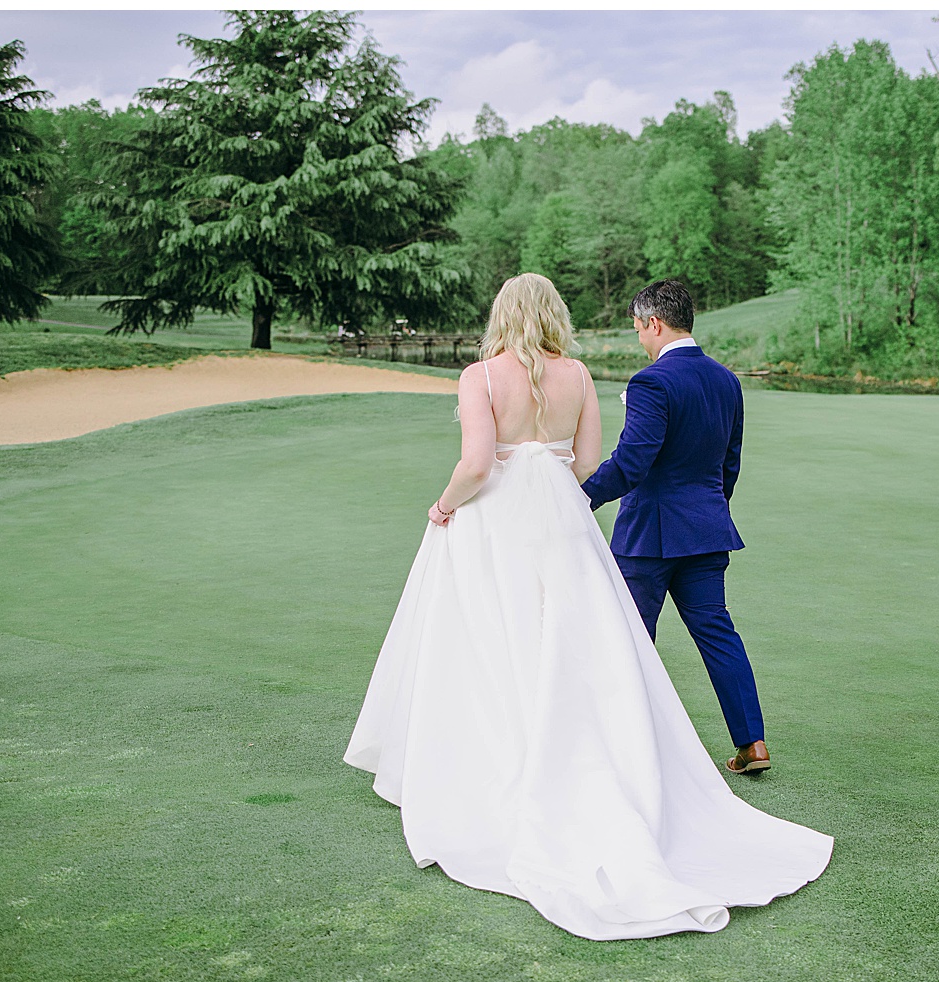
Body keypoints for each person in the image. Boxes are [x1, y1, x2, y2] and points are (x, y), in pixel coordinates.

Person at [345, 273, 831, 941]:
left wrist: (446, 503)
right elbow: (593, 462)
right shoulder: (603, 375)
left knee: (503, 640)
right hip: (630, 526)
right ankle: (741, 740)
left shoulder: (489, 376)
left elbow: (494, 464)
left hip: (533, 526)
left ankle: (506, 761)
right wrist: (561, 498)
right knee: (614, 642)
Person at [580, 279, 771, 775]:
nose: (639, 338)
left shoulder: (651, 382)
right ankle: (753, 744)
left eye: (638, 328)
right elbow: (730, 464)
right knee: (718, 633)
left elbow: (632, 462)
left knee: (631, 637)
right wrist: (708, 511)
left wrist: (581, 497)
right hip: (707, 529)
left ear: (654, 324)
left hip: (649, 536)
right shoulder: (726, 380)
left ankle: (626, 749)